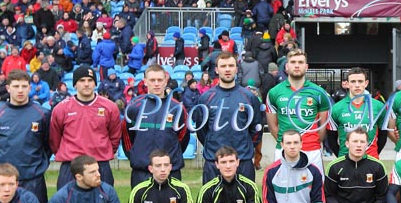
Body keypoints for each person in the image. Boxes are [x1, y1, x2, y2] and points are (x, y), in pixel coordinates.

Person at [0, 70, 52, 203]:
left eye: (24, 86)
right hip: (5, 180)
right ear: (8, 88)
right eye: (16, 86)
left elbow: (48, 146)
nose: (20, 90)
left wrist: (35, 166)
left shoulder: (42, 114)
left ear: (30, 88)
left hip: (33, 181)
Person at [49, 66, 121, 189]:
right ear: (75, 84)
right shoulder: (61, 109)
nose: (86, 84)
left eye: (90, 80)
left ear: (95, 83)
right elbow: (55, 140)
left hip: (100, 165)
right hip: (71, 166)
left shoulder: (110, 107)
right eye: (82, 81)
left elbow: (114, 137)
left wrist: (102, 151)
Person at [196, 51, 263, 182]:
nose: (227, 69)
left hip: (242, 161)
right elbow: (202, 131)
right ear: (216, 70)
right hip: (214, 162)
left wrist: (245, 146)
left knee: (245, 202)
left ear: (236, 69)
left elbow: (256, 130)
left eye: (231, 66)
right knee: (212, 202)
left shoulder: (249, 97)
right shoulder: (205, 98)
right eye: (223, 66)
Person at [122, 66, 189, 187]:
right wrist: (137, 156)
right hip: (142, 172)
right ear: (145, 81)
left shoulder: (177, 108)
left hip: (170, 172)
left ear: (166, 80)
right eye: (152, 80)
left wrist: (169, 159)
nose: (156, 84)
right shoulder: (134, 107)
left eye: (160, 80)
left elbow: (182, 138)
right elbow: (127, 137)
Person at [266, 48, 330, 171]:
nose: (297, 66)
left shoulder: (318, 92)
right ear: (286, 67)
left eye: (300, 62)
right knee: (283, 189)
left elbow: (322, 127)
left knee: (314, 189)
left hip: (312, 150)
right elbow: (273, 126)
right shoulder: (274, 92)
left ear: (306, 67)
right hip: (283, 150)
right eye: (293, 62)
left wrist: (314, 142)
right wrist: (286, 142)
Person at [327, 67, 387, 158]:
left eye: (360, 81)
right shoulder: (336, 108)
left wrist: (372, 154)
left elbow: (383, 137)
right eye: (353, 81)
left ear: (366, 83)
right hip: (345, 160)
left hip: (371, 159)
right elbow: (331, 140)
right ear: (347, 84)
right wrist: (342, 156)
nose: (357, 85)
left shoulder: (379, 107)